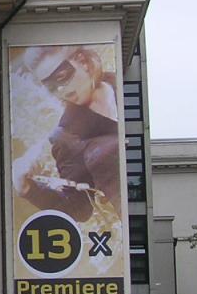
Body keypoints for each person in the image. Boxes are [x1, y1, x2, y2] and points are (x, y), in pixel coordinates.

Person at [12, 46, 120, 221]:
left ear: (83, 61)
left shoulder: (118, 84)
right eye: (51, 86)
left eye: (62, 77)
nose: (60, 90)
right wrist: (29, 190)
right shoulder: (66, 138)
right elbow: (79, 209)